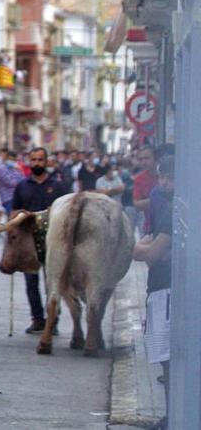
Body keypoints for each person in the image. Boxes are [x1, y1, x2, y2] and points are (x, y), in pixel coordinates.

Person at [133, 156, 173, 430]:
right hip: (160, 289)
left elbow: (150, 255)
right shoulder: (165, 204)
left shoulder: (172, 211)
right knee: (165, 361)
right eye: (161, 177)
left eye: (169, 178)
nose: (163, 183)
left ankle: (172, 417)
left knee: (169, 360)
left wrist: (138, 248)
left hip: (165, 292)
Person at [12, 147, 71, 334]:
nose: (37, 163)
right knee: (31, 282)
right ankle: (37, 319)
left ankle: (52, 319)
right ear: (29, 162)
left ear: (47, 162)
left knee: (52, 282)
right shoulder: (22, 186)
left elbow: (66, 212)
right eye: (34, 159)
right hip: (29, 241)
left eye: (40, 159)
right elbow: (14, 211)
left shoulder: (58, 185)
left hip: (52, 240)